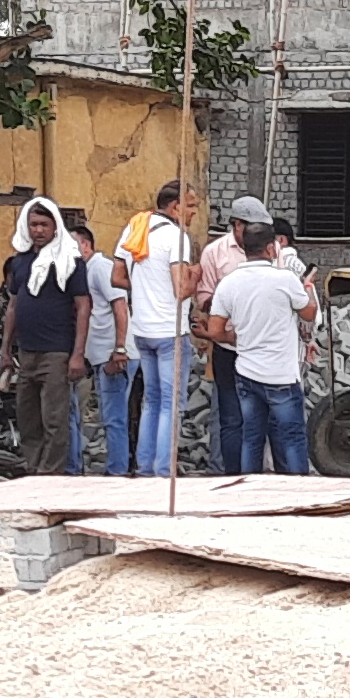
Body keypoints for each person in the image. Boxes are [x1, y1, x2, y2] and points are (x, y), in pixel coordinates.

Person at [206, 213, 320, 475]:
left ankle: (249, 491)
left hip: (246, 373)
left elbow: (214, 330)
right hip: (281, 375)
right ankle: (297, 491)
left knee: (251, 437)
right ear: (270, 248)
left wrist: (236, 338)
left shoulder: (228, 284)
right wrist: (309, 291)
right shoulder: (285, 280)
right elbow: (309, 314)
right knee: (291, 436)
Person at [0, 196, 83, 478]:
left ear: (55, 227)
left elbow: (84, 307)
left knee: (55, 418)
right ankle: (34, 469)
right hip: (27, 352)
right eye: (33, 224)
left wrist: (77, 354)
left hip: (57, 351)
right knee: (27, 415)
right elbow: (13, 306)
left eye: (44, 224)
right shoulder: (20, 262)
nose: (38, 230)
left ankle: (51, 474)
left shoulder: (69, 261)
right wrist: (6, 350)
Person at [116, 178, 193, 476]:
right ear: (175, 207)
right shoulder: (177, 237)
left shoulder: (134, 228)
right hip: (169, 331)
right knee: (171, 403)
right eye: (191, 206)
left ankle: (146, 467)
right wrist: (196, 277)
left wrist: (147, 286)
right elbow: (180, 289)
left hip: (142, 329)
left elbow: (117, 277)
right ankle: (164, 470)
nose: (194, 213)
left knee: (151, 400)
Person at [196, 192, 271, 467]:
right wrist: (224, 295)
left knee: (261, 414)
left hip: (261, 347)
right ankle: (230, 475)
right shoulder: (214, 253)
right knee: (230, 417)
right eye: (251, 226)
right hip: (228, 346)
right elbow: (202, 298)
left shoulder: (270, 250)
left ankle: (255, 474)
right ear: (237, 225)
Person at [73, 207, 129, 469]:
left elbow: (120, 305)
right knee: (110, 414)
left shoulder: (100, 267)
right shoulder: (85, 270)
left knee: (114, 416)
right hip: (98, 354)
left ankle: (117, 470)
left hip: (111, 354)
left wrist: (119, 348)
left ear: (85, 245)